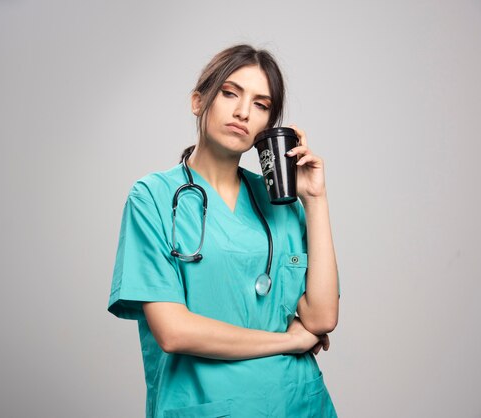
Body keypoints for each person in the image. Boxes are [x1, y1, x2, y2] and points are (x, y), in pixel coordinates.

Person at [107, 44, 340, 417]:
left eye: (261, 105)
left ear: (268, 127)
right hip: (204, 406)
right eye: (230, 93)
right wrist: (287, 340)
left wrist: (315, 198)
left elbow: (322, 318)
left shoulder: (281, 204)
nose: (243, 112)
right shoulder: (152, 197)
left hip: (297, 402)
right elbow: (174, 332)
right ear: (198, 102)